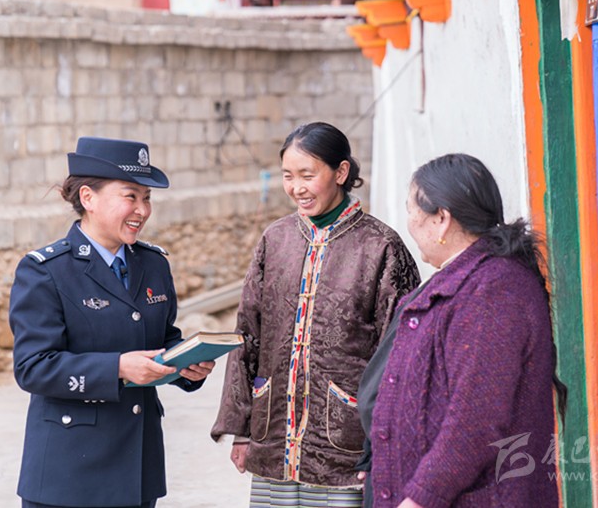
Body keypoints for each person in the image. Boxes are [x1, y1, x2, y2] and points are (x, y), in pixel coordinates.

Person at [211, 121, 420, 507]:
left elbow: (402, 355)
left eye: (307, 175)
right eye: (288, 176)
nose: (297, 188)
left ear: (341, 172)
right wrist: (241, 428)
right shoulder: (275, 240)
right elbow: (247, 334)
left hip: (345, 443)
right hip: (273, 434)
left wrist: (386, 442)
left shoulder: (381, 247)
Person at [9, 136, 215, 508]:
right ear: (88, 197)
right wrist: (118, 367)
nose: (142, 210)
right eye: (130, 196)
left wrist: (187, 365)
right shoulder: (46, 271)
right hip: (69, 474)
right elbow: (33, 368)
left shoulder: (153, 264)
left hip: (137, 468)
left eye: (147, 198)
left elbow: (163, 338)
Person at [369, 153, 567, 508]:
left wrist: (420, 498)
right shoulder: (465, 282)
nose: (409, 222)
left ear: (441, 219)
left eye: (411, 210)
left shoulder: (494, 290)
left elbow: (475, 421)